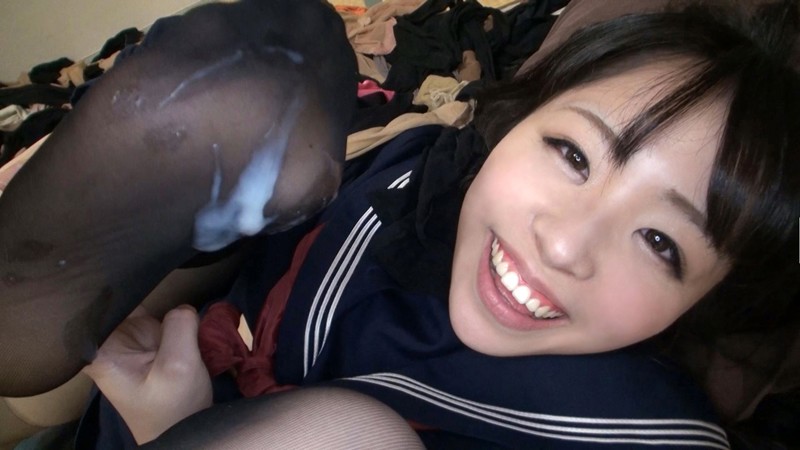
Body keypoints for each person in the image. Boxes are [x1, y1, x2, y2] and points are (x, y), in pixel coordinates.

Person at [1, 0, 798, 448]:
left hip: (158, 420)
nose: (563, 243)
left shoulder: (649, 437)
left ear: (710, 294)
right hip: (101, 386)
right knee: (271, 74)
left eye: (660, 242)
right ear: (519, 119)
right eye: (571, 153)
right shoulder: (419, 175)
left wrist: (176, 430)